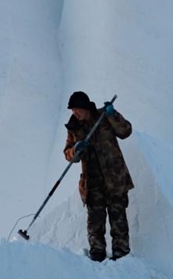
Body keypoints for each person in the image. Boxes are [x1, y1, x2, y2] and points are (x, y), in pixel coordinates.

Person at [63, 91, 134, 262]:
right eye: (72, 110)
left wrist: (113, 114)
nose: (74, 113)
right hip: (92, 183)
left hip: (114, 179)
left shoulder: (104, 117)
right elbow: (68, 154)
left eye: (77, 109)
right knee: (95, 224)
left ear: (86, 107)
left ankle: (122, 257)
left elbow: (125, 131)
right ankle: (97, 258)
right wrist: (76, 150)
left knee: (119, 222)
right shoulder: (73, 128)